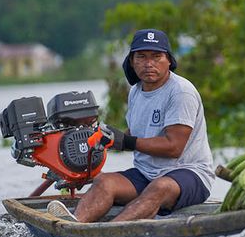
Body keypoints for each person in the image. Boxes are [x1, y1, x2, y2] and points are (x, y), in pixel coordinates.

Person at [47, 28, 214, 222]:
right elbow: (137, 134)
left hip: (190, 174)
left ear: (169, 60)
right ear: (132, 62)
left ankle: (110, 234)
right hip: (146, 174)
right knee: (104, 181)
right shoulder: (135, 91)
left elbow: (174, 147)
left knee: (159, 187)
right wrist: (108, 139)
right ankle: (74, 227)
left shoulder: (181, 92)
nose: (149, 63)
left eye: (156, 56)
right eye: (141, 57)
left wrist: (126, 141)